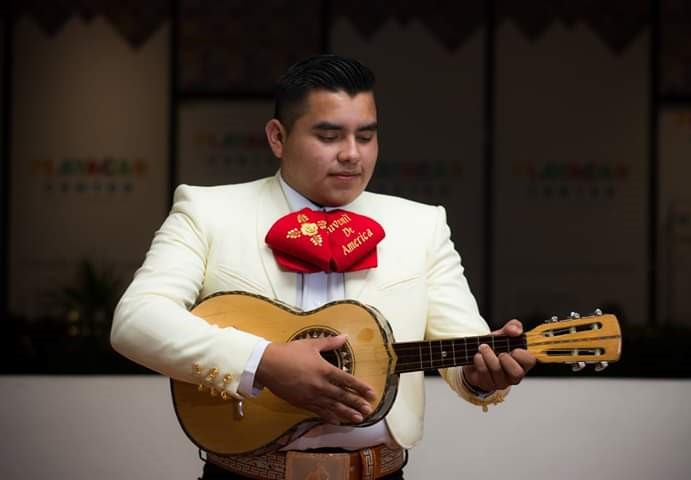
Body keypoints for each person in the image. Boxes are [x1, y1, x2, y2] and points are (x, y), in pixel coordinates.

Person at [111, 54, 536, 480]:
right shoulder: (208, 211)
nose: (352, 154)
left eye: (366, 137)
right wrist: (264, 362)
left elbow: (464, 347)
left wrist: (481, 377)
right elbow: (136, 321)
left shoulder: (422, 225)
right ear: (278, 137)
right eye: (329, 136)